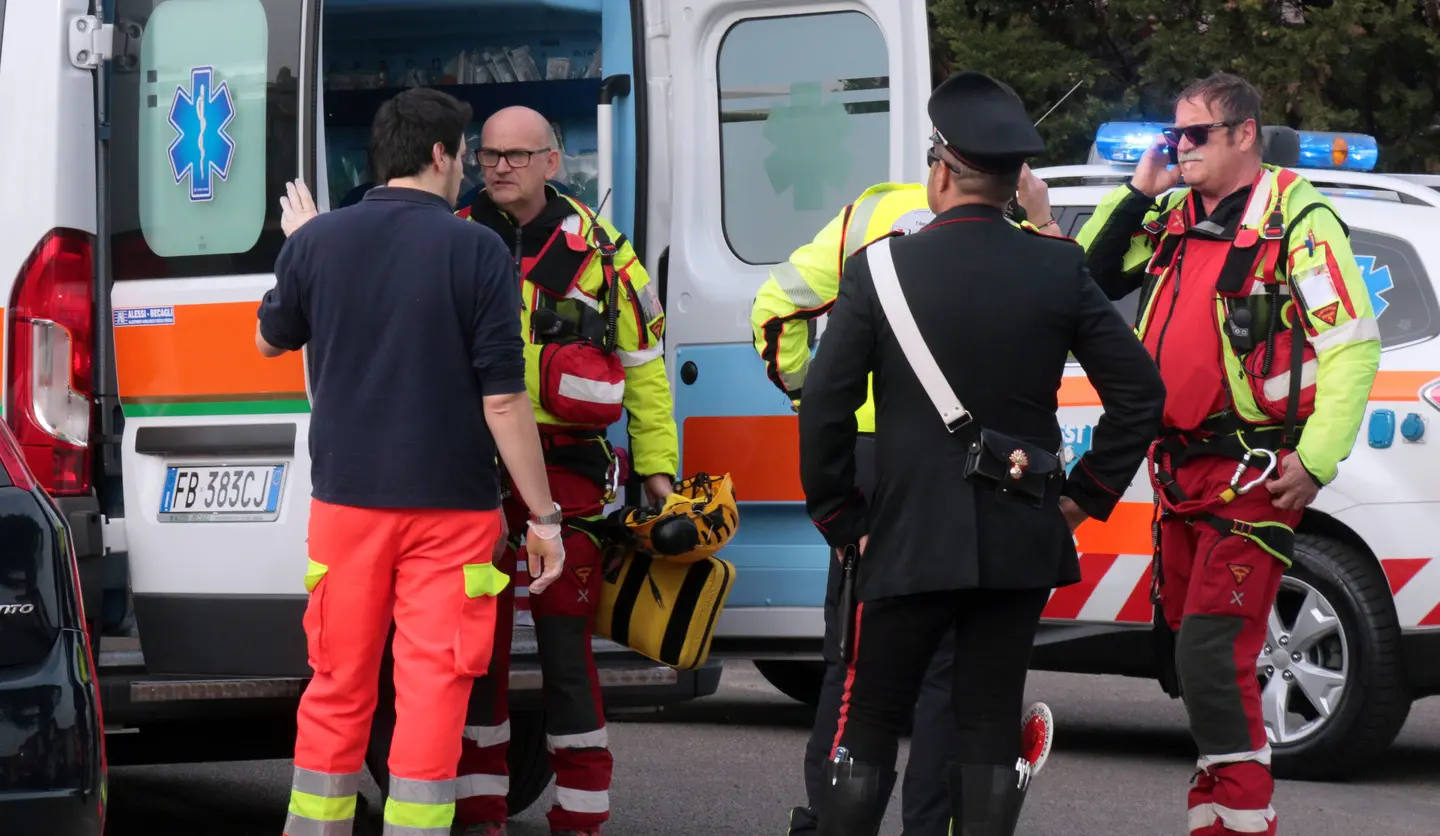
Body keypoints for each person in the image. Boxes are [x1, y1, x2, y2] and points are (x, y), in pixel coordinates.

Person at [796, 69, 1166, 836]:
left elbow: (826, 408)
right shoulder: (1057, 266)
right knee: (987, 722)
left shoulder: (882, 269)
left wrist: (841, 517)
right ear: (1011, 181)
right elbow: (1141, 395)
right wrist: (1082, 497)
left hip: (903, 535)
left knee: (870, 719)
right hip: (1019, 534)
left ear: (941, 169)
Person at [1072, 72, 1381, 836]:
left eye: (1195, 135)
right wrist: (1139, 193)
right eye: (1174, 134)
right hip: (1177, 473)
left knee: (1212, 653)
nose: (1180, 148)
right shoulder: (1173, 214)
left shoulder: (1299, 223)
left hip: (1251, 476)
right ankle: (1216, 819)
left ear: (1245, 134)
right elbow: (1081, 277)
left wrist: (1314, 461)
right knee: (1190, 662)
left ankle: (1245, 822)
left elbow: (1353, 349)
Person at [258, 87, 566, 836]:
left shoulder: (320, 242)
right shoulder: (477, 250)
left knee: (337, 683)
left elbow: (272, 339)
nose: (468, 169)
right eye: (465, 154)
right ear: (438, 155)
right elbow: (503, 400)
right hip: (450, 514)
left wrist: (305, 245)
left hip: (346, 507)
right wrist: (546, 518)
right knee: (433, 691)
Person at [749, 167, 1062, 836]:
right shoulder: (1016, 229)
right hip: (965, 461)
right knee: (951, 673)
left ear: (941, 164)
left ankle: (829, 823)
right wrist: (1040, 218)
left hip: (870, 458)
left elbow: (774, 309)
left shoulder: (871, 212)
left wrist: (815, 396)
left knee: (858, 659)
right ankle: (934, 824)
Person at [450, 105, 678, 836]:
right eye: (489, 155)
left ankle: (581, 818)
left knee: (566, 652)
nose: (500, 168)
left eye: (517, 155)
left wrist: (658, 473)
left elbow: (644, 366)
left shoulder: (604, 253)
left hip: (570, 477)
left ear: (553, 161)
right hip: (472, 477)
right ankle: (482, 813)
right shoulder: (450, 236)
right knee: (475, 654)